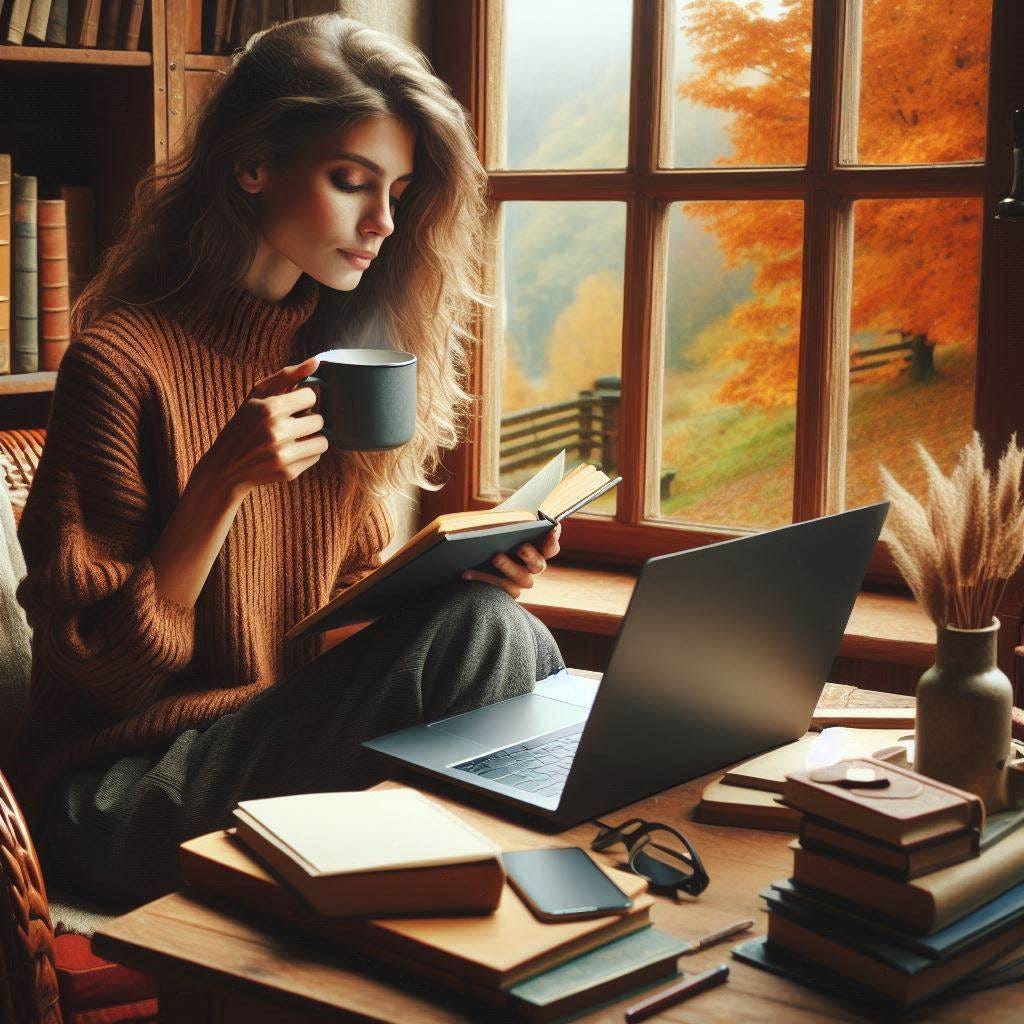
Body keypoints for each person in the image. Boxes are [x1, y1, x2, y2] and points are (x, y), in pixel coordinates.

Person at [14, 14, 564, 904]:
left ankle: (495, 928)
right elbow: (104, 675)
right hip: (114, 798)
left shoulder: (337, 359)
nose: (383, 222)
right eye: (352, 182)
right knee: (489, 644)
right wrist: (219, 484)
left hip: (259, 745)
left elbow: (323, 630)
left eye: (399, 191)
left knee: (509, 634)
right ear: (254, 165)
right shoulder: (121, 360)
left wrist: (452, 580)